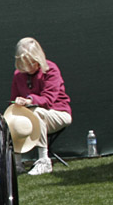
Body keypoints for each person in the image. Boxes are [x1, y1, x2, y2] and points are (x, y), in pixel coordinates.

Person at [6, 37, 72, 175]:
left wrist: (29, 101)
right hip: (31, 115)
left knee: (36, 113)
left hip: (58, 112)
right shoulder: (18, 75)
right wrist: (16, 103)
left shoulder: (51, 70)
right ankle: (17, 164)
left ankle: (44, 161)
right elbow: (13, 99)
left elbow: (48, 100)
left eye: (31, 63)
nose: (28, 68)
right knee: (12, 118)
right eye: (24, 64)